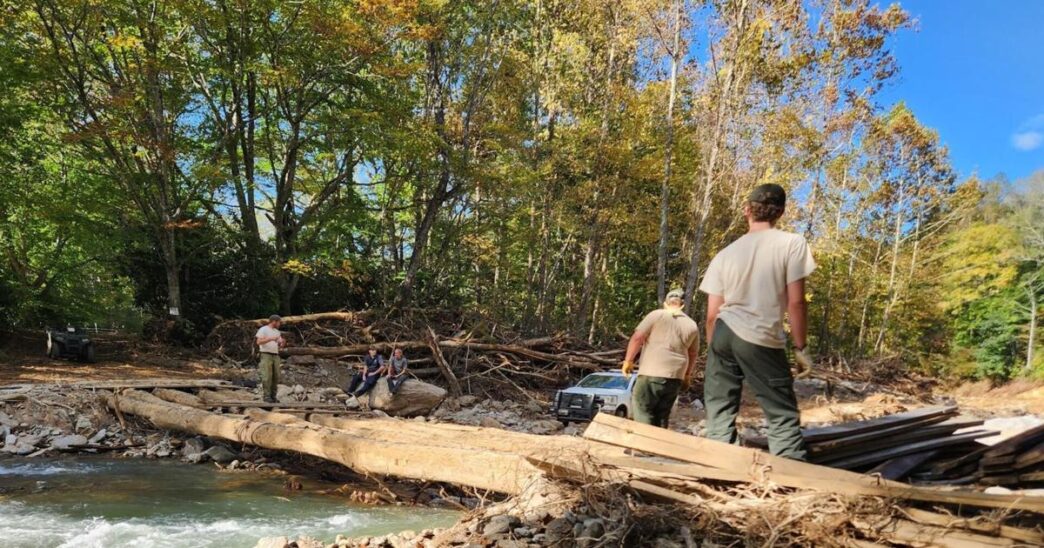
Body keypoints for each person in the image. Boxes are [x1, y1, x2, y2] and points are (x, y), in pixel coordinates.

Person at [698, 183, 816, 461]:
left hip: (723, 332)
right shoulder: (792, 243)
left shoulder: (725, 254)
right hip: (759, 335)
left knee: (719, 410)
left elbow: (711, 315)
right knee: (780, 411)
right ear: (781, 212)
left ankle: (719, 466)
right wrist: (800, 347)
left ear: (747, 211)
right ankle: (790, 472)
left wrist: (714, 349)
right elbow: (796, 302)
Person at [621, 288, 701, 428]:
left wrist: (628, 361)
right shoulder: (692, 324)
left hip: (651, 373)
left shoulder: (656, 315)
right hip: (676, 377)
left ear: (666, 302)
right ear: (682, 303)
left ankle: (643, 448)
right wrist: (687, 375)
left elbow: (637, 338)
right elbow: (693, 353)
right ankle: (658, 447)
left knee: (643, 410)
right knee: (662, 415)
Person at [255, 315, 286, 403]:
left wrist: (282, 343)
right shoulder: (263, 329)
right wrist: (270, 338)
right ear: (274, 321)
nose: (280, 324)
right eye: (279, 322)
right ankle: (266, 397)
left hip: (275, 355)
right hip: (266, 354)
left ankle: (273, 396)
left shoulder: (277, 332)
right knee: (267, 376)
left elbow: (280, 345)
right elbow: (258, 342)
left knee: (276, 376)